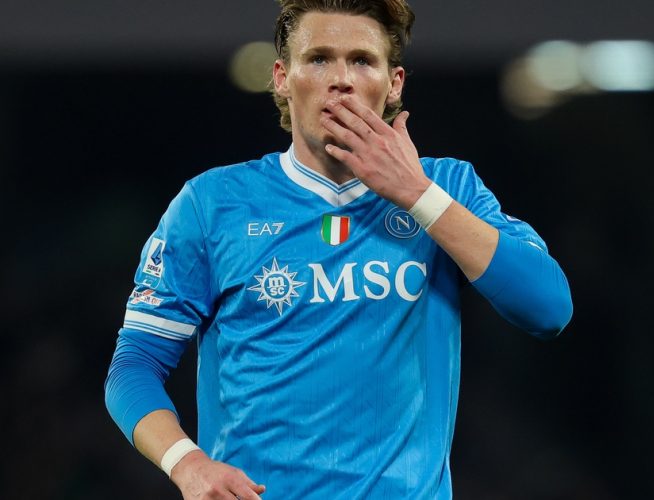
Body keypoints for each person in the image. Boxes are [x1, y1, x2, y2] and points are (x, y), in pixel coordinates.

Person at [104, 0, 573, 498]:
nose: (342, 80)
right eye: (319, 58)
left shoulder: (447, 187)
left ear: (394, 84)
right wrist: (187, 463)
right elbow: (133, 366)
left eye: (363, 60)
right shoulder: (212, 204)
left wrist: (417, 196)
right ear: (282, 78)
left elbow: (548, 308)